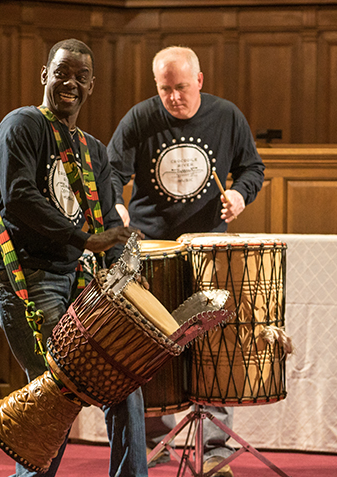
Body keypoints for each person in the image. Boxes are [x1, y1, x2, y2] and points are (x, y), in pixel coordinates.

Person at [0, 39, 147, 477]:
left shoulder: (94, 149)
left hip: (75, 277)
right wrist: (84, 241)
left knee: (124, 382)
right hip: (24, 275)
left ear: (91, 86)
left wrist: (123, 269)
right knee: (58, 392)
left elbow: (108, 220)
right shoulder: (22, 125)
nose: (70, 83)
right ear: (45, 75)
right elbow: (18, 197)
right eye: (62, 73)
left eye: (81, 77)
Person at [107, 46, 265, 477]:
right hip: (150, 248)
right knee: (148, 345)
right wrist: (116, 208)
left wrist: (238, 195)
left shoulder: (227, 115)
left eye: (181, 87)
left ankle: (214, 449)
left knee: (210, 347)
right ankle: (155, 443)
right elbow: (110, 173)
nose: (174, 97)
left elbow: (253, 169)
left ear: (199, 80)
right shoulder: (140, 118)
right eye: (165, 89)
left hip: (205, 246)